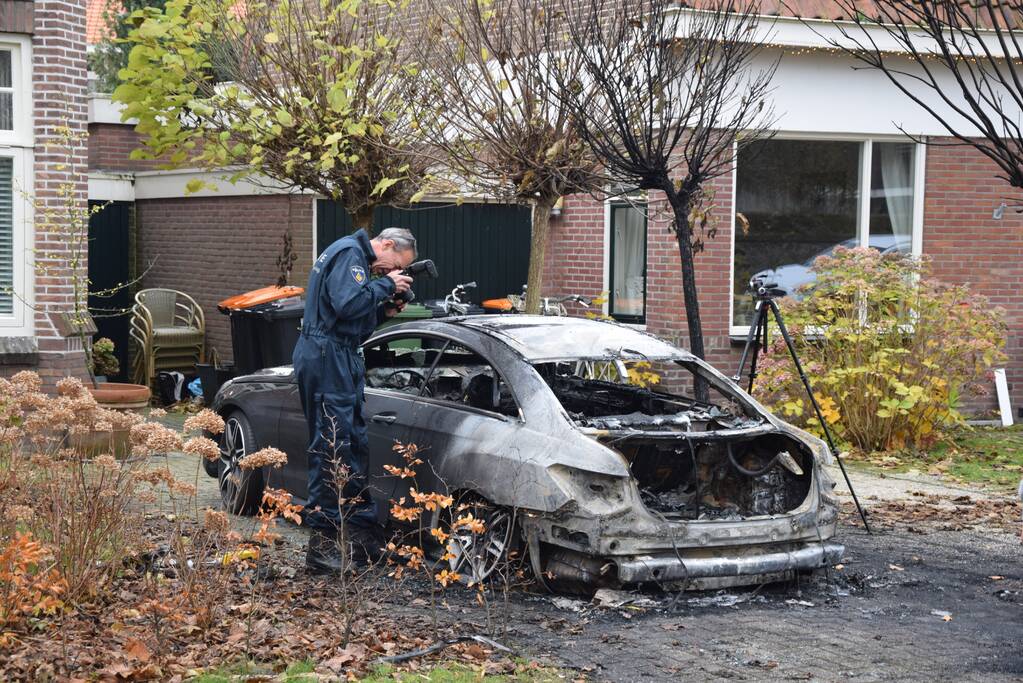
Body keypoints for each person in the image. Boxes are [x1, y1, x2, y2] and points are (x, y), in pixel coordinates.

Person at [294, 227, 416, 573]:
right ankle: (322, 548)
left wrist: (384, 311)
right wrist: (386, 286)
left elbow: (352, 322)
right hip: (324, 357)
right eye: (395, 265)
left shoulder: (357, 259)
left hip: (341, 355)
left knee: (354, 446)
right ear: (387, 244)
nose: (393, 272)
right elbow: (347, 304)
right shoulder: (350, 253)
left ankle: (361, 538)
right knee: (330, 447)